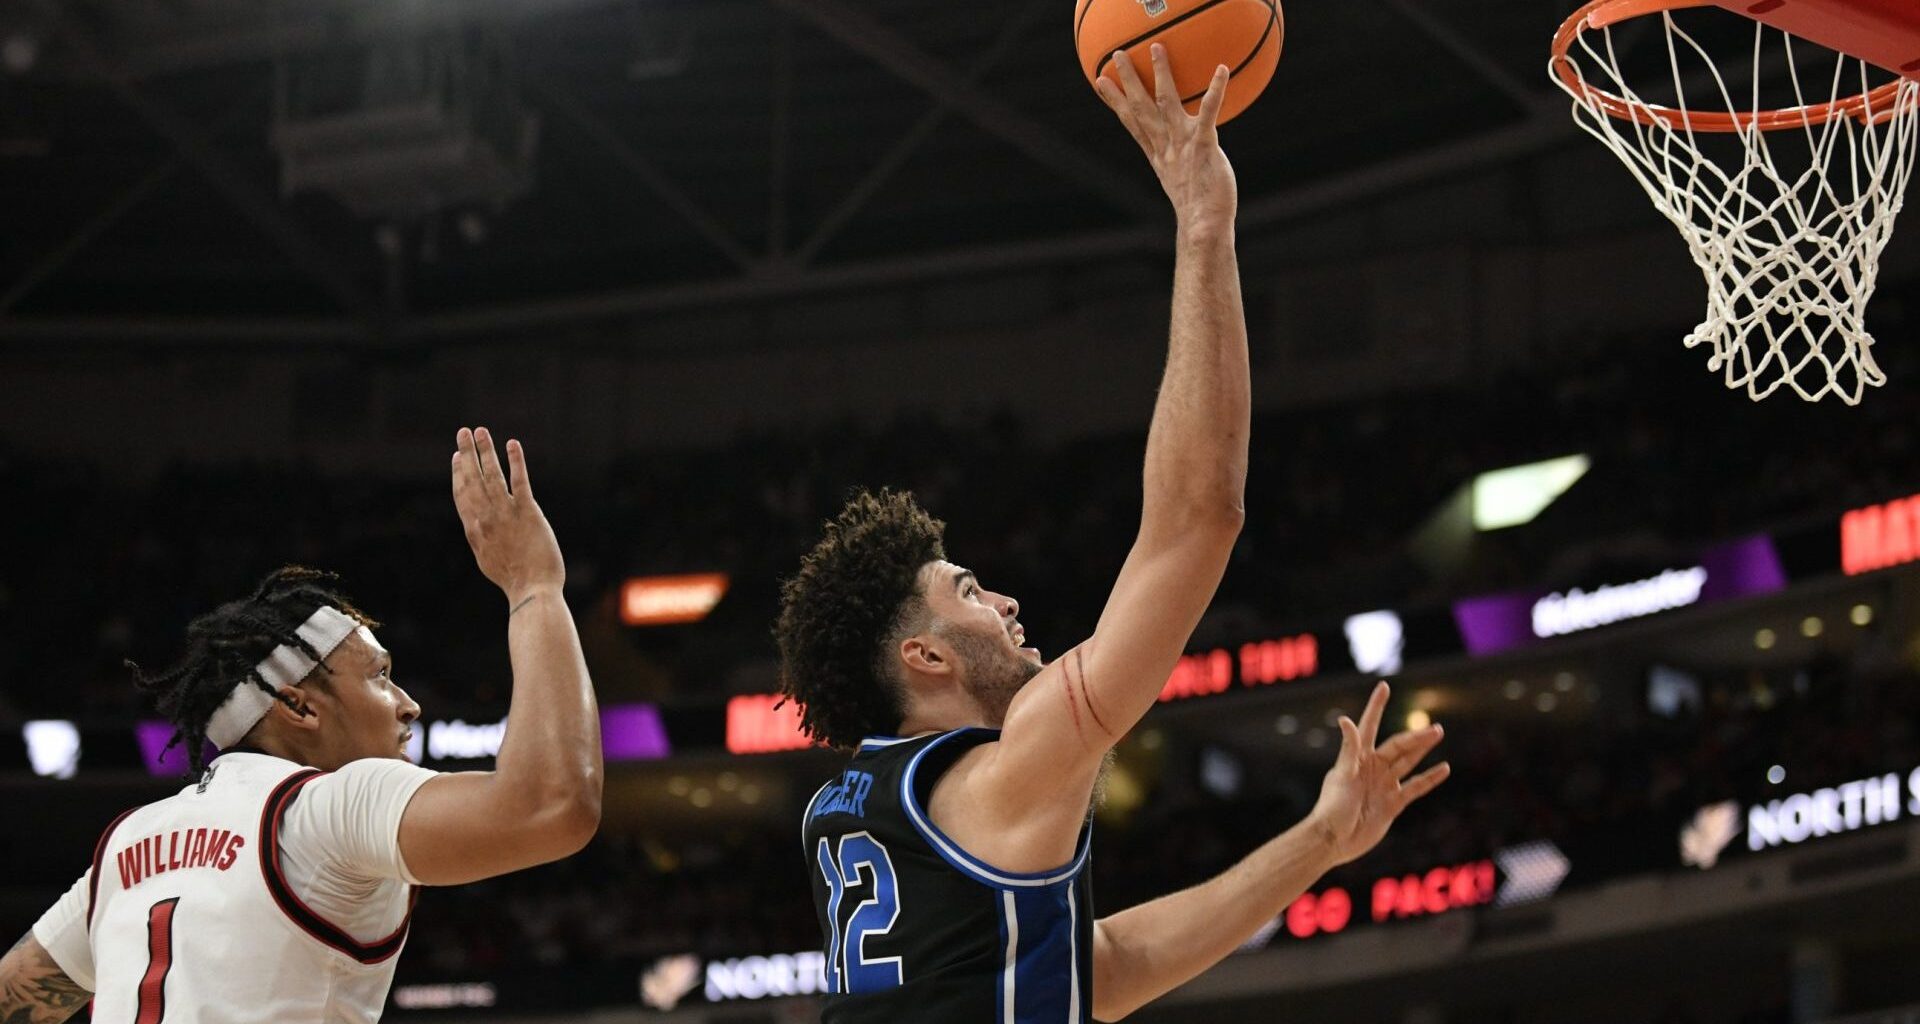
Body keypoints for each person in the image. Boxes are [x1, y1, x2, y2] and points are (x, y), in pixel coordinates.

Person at [775, 47, 1451, 1023]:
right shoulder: (1009, 768)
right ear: (921, 654)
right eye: (967, 590)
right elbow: (1197, 520)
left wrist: (1320, 839)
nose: (1004, 601)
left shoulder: (860, 811)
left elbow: (1110, 963)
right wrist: (1204, 224)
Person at [0, 427, 601, 1024]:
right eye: (380, 675)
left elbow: (12, 997)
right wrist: (534, 587)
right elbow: (552, 804)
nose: (407, 703)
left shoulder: (126, 845)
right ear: (299, 707)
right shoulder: (321, 810)